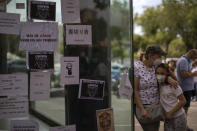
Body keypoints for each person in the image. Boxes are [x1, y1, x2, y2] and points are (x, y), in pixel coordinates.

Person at [134, 45, 177, 131]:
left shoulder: (156, 67)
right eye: (159, 56)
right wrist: (142, 109)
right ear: (150, 56)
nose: (160, 58)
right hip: (144, 107)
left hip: (157, 107)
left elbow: (175, 79)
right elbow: (135, 90)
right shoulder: (137, 67)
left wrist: (167, 74)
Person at [156, 63, 187, 131]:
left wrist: (170, 113)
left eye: (162, 73)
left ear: (167, 73)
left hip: (178, 117)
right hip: (167, 118)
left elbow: (183, 101)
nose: (159, 75)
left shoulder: (173, 85)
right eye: (157, 73)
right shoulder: (159, 85)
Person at [176, 49, 197, 131]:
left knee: (184, 109)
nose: (195, 59)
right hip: (185, 89)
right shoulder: (184, 61)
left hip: (186, 88)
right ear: (192, 53)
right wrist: (194, 74)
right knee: (184, 110)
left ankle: (185, 127)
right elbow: (184, 74)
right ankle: (183, 128)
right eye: (195, 56)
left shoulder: (184, 60)